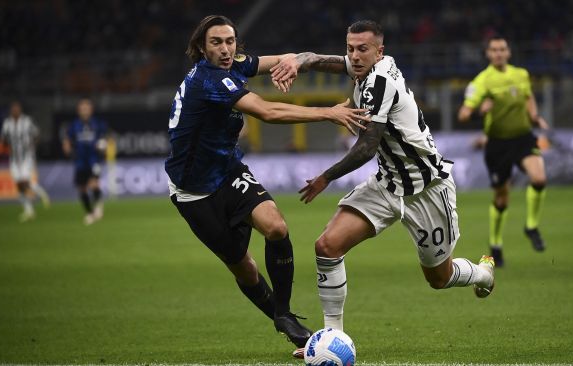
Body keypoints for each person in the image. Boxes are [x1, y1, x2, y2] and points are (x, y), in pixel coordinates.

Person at [269, 20, 495, 335]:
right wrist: (297, 60)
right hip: (388, 185)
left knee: (439, 279)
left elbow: (366, 147)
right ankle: (332, 337)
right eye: (350, 49)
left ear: (380, 51)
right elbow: (319, 59)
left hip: (427, 189)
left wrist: (326, 177)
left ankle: (483, 273)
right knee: (327, 246)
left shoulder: (381, 82)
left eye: (363, 49)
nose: (355, 56)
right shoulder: (362, 67)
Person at [164, 15, 368, 354]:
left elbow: (279, 60)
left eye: (230, 41)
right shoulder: (209, 79)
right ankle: (279, 315)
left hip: (226, 171)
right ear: (202, 47)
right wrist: (328, 113)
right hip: (193, 192)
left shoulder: (233, 64)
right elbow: (266, 111)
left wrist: (301, 59)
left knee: (275, 226)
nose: (226, 49)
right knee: (243, 267)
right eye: (217, 42)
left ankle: (285, 316)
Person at [457, 36, 549, 267]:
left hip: (523, 138)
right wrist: (480, 110)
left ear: (508, 52)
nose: (498, 53)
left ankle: (531, 226)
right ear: (488, 54)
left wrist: (534, 116)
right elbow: (463, 114)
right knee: (501, 198)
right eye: (494, 50)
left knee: (539, 178)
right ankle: (495, 245)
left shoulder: (521, 75)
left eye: (502, 49)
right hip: (498, 144)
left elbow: (528, 98)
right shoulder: (482, 81)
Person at [0, 101, 50, 221]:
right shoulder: (7, 124)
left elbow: (37, 134)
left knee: (24, 181)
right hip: (14, 159)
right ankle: (29, 210)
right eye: (13, 109)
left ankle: (40, 193)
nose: (15, 111)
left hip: (27, 157)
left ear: (20, 110)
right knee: (19, 185)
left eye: (17, 109)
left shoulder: (27, 121)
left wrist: (32, 146)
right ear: (11, 110)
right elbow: (3, 140)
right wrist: (7, 147)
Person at [62, 98, 107, 225]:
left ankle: (98, 206)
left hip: (94, 159)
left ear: (91, 110)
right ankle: (90, 213)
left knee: (94, 184)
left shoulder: (97, 124)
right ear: (79, 111)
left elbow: (104, 139)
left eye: (87, 108)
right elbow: (67, 139)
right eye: (82, 109)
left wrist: (102, 147)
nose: (85, 111)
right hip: (80, 161)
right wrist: (66, 147)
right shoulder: (74, 125)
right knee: (82, 189)